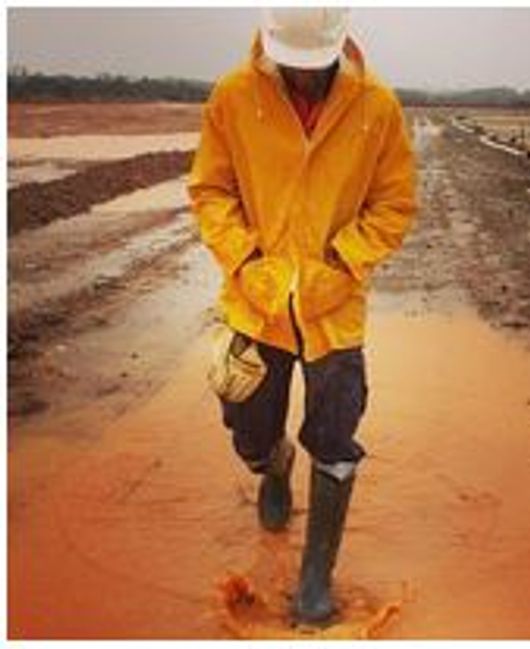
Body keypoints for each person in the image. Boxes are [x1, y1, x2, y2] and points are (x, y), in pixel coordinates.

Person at [188, 7, 417, 625]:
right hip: (256, 301)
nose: (302, 75)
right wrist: (247, 259)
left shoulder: (378, 107)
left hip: (333, 307)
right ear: (269, 45)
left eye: (314, 65)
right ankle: (274, 465)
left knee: (337, 433)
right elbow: (211, 190)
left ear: (339, 48)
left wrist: (344, 264)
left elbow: (395, 202)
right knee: (246, 423)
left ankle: (316, 572)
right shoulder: (234, 97)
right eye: (290, 61)